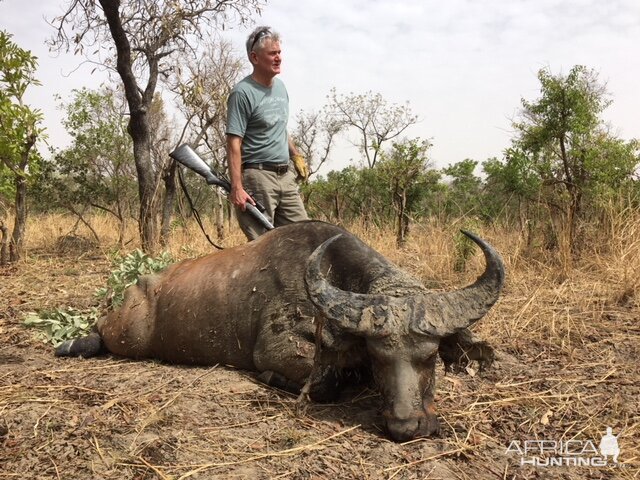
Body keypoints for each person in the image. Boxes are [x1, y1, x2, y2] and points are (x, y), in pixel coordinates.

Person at [226, 26, 309, 241]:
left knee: (303, 239)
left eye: (279, 52)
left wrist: (296, 155)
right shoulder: (242, 92)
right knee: (262, 248)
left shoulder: (280, 88)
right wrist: (237, 187)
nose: (278, 58)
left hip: (285, 176)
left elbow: (279, 127)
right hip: (258, 178)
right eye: (272, 53)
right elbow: (234, 142)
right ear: (255, 57)